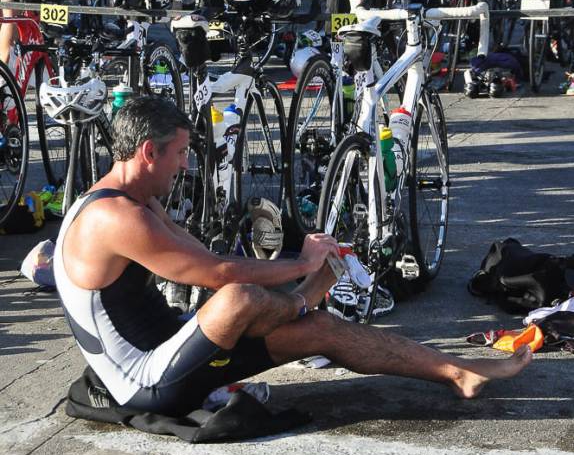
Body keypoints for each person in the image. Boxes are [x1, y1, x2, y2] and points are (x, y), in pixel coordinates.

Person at [54, 97, 533, 418]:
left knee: (318, 331)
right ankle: (306, 298)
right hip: (147, 383)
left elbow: (200, 254)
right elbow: (217, 273)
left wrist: (285, 271)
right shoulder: (113, 218)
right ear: (147, 152)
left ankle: (456, 371)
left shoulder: (135, 199)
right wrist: (301, 269)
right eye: (180, 154)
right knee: (239, 296)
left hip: (172, 344)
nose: (185, 165)